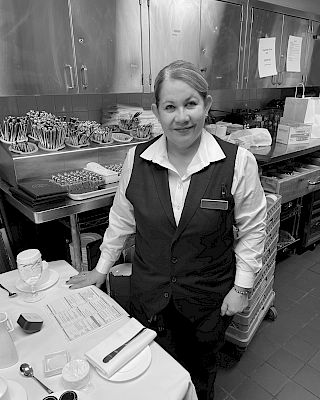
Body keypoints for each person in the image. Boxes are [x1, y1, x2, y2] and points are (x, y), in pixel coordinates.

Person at [67, 60, 267, 399]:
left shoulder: (237, 162)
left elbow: (253, 230)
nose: (181, 117)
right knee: (153, 372)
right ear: (156, 111)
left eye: (190, 104)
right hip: (150, 296)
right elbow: (121, 220)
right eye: (170, 107)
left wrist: (242, 288)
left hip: (208, 299)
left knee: (201, 373)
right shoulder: (137, 159)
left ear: (207, 104)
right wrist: (100, 269)